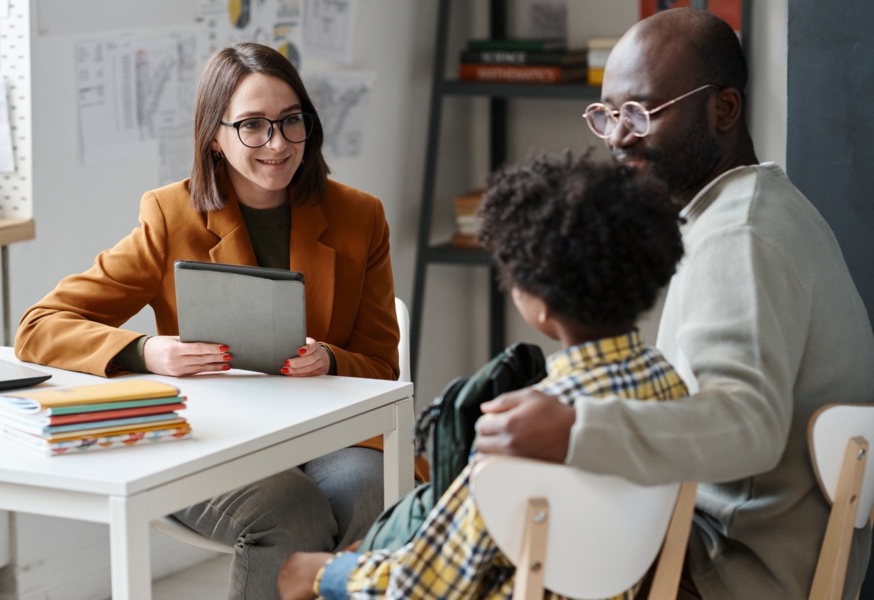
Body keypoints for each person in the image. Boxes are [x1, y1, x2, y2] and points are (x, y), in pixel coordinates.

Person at [284, 7, 874, 600]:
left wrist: (572, 427)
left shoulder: (737, 238)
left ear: (723, 109)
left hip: (733, 568)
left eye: (642, 113)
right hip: (751, 540)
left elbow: (750, 425)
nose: (618, 136)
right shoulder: (760, 205)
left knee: (479, 527)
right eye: (608, 115)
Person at [14, 42, 414, 600]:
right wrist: (148, 353)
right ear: (214, 137)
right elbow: (40, 325)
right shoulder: (170, 215)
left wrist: (331, 360)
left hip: (330, 437)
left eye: (290, 121)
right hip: (212, 437)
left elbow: (379, 365)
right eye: (252, 125)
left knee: (369, 488)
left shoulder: (358, 216)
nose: (276, 143)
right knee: (287, 510)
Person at [278, 150, 691, 599]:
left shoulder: (522, 432)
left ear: (540, 303)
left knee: (312, 573)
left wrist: (323, 573)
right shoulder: (670, 388)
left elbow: (417, 590)